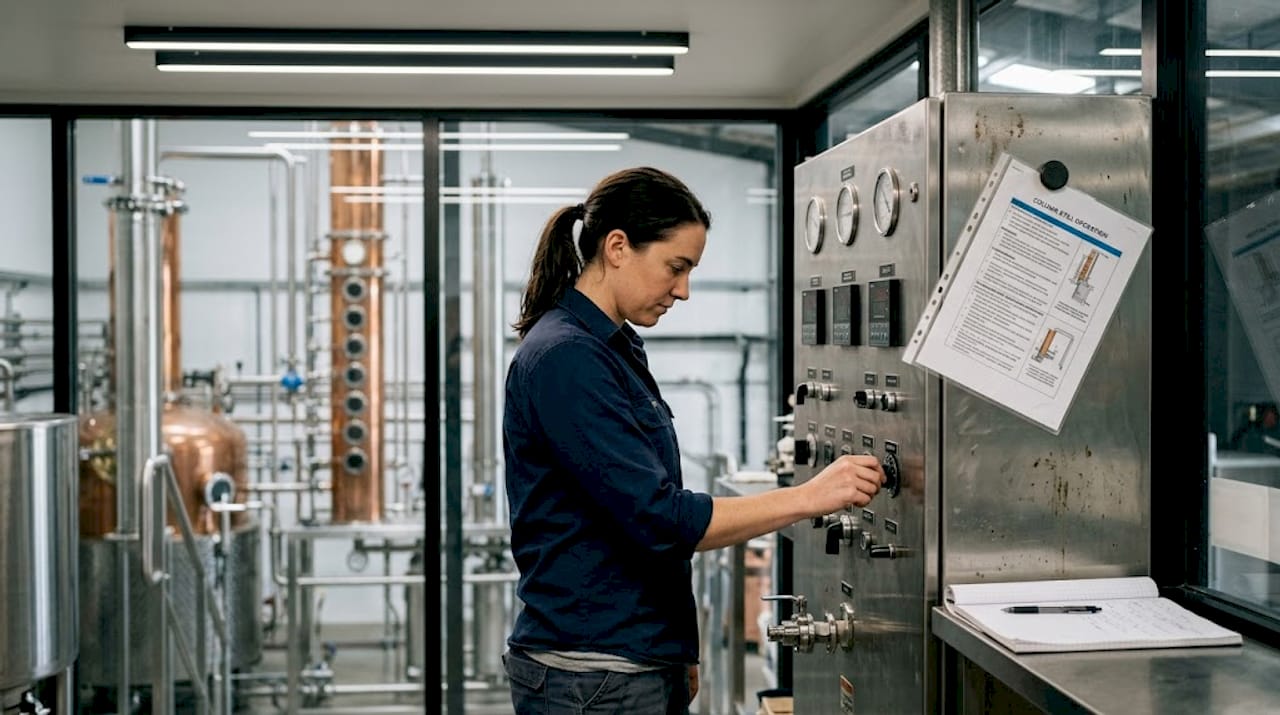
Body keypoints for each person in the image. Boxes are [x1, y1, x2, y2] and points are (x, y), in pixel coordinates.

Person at [502, 167, 885, 714]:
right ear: (617, 247)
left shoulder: (614, 347)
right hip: (593, 677)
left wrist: (677, 647)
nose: (682, 290)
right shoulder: (568, 358)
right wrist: (812, 496)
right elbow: (659, 518)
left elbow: (635, 526)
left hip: (633, 658)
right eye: (675, 267)